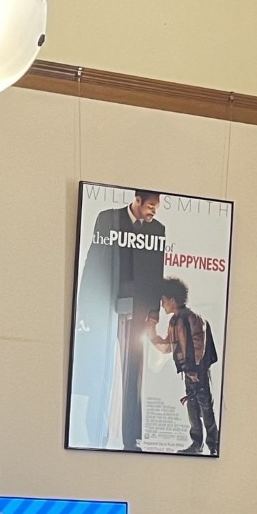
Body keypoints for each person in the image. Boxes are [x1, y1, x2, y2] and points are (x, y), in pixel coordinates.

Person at [72, 189, 165, 450]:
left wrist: (154, 314)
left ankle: (132, 438)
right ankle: (95, 435)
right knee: (100, 368)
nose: (153, 211)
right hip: (104, 304)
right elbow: (92, 260)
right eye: (150, 205)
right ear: (136, 201)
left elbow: (157, 270)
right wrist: (84, 308)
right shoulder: (107, 219)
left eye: (156, 207)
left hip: (138, 310)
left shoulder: (157, 229)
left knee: (133, 371)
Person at [149, 276, 220, 456]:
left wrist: (194, 369)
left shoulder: (192, 318)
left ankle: (213, 445)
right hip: (189, 372)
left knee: (205, 407)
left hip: (197, 372)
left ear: (172, 300)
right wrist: (152, 336)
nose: (162, 304)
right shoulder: (175, 321)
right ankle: (197, 444)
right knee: (193, 407)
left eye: (163, 301)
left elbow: (199, 345)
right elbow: (169, 347)